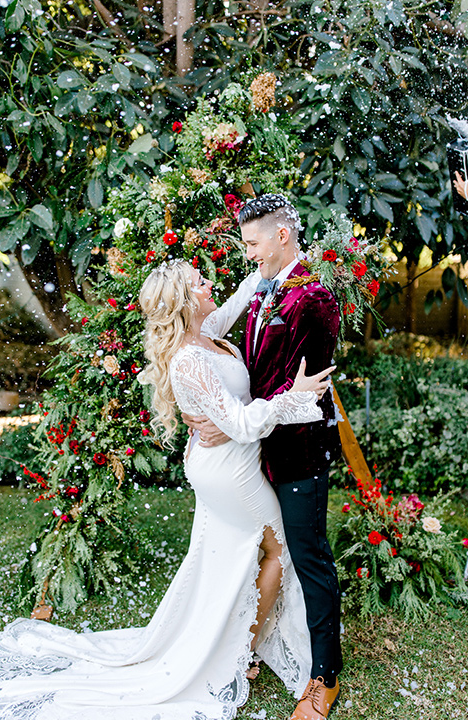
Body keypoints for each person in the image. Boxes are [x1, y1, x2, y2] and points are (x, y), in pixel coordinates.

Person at [0, 258, 335, 720]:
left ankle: (228, 639)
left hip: (225, 461)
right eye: (200, 281)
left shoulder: (203, 329)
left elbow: (236, 301)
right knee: (277, 551)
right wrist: (294, 396)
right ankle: (238, 654)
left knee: (234, 556)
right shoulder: (190, 359)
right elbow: (239, 424)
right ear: (185, 301)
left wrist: (268, 265)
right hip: (230, 471)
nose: (210, 282)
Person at [185, 194, 343, 720]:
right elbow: (205, 342)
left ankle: (324, 676)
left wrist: (231, 419)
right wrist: (202, 406)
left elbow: (305, 393)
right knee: (261, 552)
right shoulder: (259, 290)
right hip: (253, 453)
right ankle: (254, 644)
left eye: (253, 243)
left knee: (309, 557)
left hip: (296, 454)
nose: (247, 253)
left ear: (281, 236)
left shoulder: (315, 299)